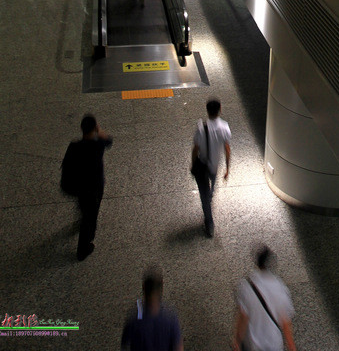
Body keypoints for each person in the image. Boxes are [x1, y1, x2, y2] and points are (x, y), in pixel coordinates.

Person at [63, 114, 112, 261]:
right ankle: (83, 249)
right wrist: (99, 130)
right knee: (90, 218)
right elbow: (109, 140)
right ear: (94, 128)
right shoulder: (98, 144)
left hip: (79, 188)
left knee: (84, 208)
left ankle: (83, 217)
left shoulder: (74, 146)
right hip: (94, 188)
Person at [233, 246, 296, 351]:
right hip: (274, 343)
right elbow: (285, 322)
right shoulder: (280, 288)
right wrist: (291, 346)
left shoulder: (246, 286)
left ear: (257, 263)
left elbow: (243, 317)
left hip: (252, 344)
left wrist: (237, 341)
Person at [191, 99, 231, 237]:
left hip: (202, 167)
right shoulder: (225, 127)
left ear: (207, 110)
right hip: (214, 167)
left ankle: (209, 222)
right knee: (211, 188)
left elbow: (195, 149)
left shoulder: (201, 129)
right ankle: (210, 196)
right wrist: (227, 169)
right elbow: (227, 149)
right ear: (220, 109)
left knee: (204, 195)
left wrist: (193, 163)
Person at [121, 270, 183, 351]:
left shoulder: (134, 320)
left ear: (144, 289)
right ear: (161, 290)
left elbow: (125, 344)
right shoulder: (170, 318)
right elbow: (178, 347)